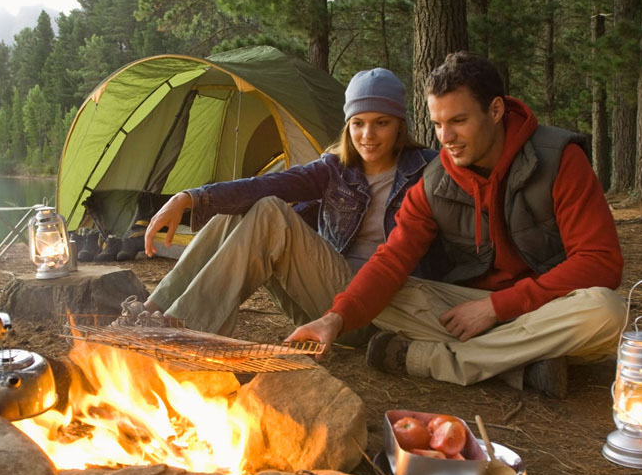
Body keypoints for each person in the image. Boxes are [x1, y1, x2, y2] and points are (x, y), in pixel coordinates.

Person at [286, 51, 626, 399]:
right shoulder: (435, 182)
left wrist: (497, 308)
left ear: (495, 110)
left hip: (546, 306)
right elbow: (391, 261)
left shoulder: (558, 159)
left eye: (459, 121)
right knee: (383, 296)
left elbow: (600, 262)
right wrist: (335, 319)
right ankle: (524, 359)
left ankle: (433, 360)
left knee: (607, 311)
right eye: (437, 124)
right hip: (467, 310)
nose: (446, 137)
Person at [131, 68, 447, 340]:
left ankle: (182, 329)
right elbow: (268, 183)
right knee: (243, 207)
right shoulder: (335, 169)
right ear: (348, 126)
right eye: (358, 123)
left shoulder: (427, 171)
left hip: (377, 313)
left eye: (381, 123)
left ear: (399, 124)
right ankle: (151, 312)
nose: (368, 135)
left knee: (270, 211)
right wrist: (188, 197)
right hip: (322, 302)